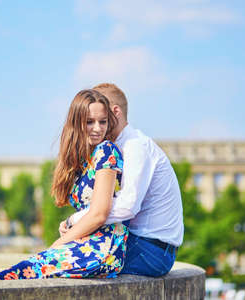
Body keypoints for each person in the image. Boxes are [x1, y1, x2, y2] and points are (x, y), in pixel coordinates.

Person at [0, 89, 128, 280]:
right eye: (90, 122)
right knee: (14, 274)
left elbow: (99, 214)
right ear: (77, 123)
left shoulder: (107, 151)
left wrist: (59, 243)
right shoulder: (82, 160)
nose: (97, 128)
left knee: (15, 275)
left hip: (103, 246)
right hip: (84, 242)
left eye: (103, 121)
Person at [61, 83, 183, 277]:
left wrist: (76, 219)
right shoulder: (117, 147)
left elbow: (128, 206)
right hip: (144, 245)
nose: (97, 127)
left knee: (63, 262)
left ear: (114, 112)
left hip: (150, 251)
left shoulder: (135, 146)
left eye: (101, 118)